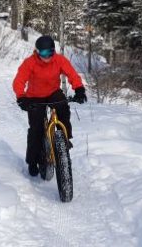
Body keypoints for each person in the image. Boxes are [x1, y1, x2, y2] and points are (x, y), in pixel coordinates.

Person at [12, 35, 87, 177]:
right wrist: (21, 97)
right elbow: (19, 81)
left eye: (50, 52)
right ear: (37, 52)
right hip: (34, 97)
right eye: (43, 53)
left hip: (53, 92)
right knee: (36, 129)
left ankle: (64, 140)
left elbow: (72, 74)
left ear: (53, 51)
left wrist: (79, 89)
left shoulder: (59, 60)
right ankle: (33, 161)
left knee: (63, 108)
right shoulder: (30, 63)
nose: (47, 57)